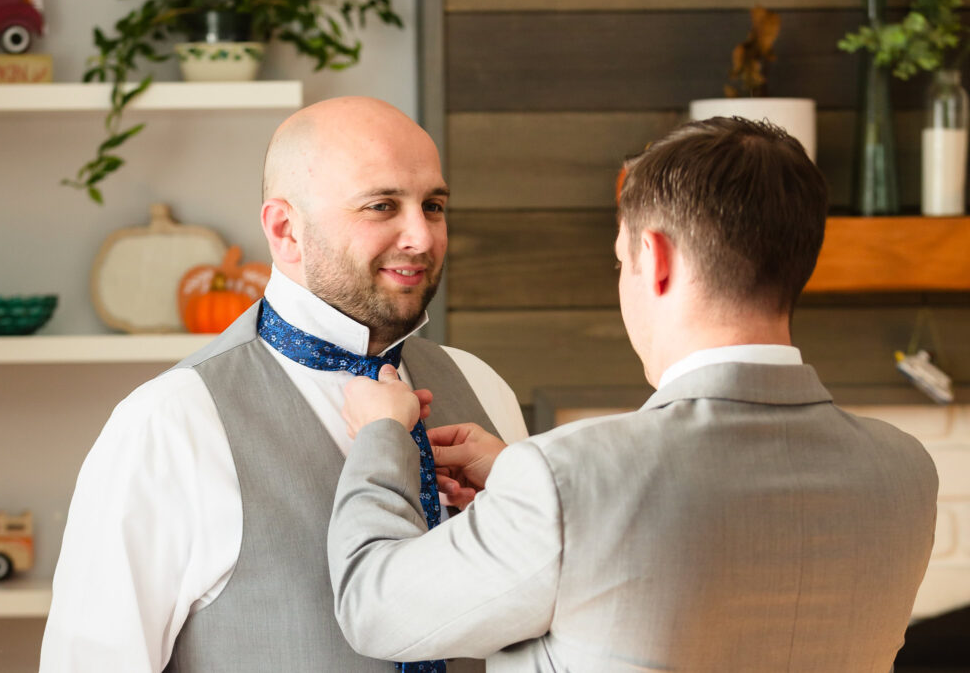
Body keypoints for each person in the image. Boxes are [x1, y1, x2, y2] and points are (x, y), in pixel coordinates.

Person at [327, 117, 940, 671]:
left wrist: (382, 439)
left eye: (621, 262)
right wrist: (523, 477)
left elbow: (373, 609)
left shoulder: (567, 478)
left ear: (654, 256)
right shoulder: (905, 468)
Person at [40, 96, 527, 672]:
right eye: (381, 206)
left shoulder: (483, 388)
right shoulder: (169, 423)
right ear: (285, 229)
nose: (421, 236)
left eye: (435, 205)